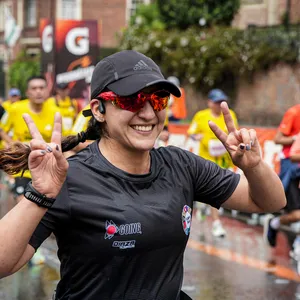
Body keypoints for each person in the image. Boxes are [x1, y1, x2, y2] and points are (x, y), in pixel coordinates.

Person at [0, 50, 286, 300]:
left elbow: (269, 203)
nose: (149, 114)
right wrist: (40, 194)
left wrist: (253, 166)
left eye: (158, 100)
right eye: (133, 100)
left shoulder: (181, 164)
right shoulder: (68, 178)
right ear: (99, 110)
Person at [187, 89, 239, 237]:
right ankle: (216, 224)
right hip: (207, 161)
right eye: (216, 102)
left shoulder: (230, 115)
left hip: (225, 160)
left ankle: (203, 208)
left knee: (216, 194)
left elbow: (235, 132)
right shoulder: (201, 116)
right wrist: (197, 137)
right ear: (209, 102)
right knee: (215, 193)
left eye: (221, 101)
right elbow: (191, 132)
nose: (218, 105)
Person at [0, 76, 59, 201]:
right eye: (34, 88)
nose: (38, 91)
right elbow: (1, 129)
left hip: (46, 166)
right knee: (23, 201)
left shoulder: (56, 112)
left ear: (47, 91)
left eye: (42, 88)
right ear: (27, 92)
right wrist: (14, 145)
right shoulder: (14, 109)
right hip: (22, 166)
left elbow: (61, 140)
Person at [264, 103, 300, 248]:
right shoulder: (293, 112)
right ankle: (274, 222)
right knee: (297, 215)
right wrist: (296, 139)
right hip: (292, 167)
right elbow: (277, 139)